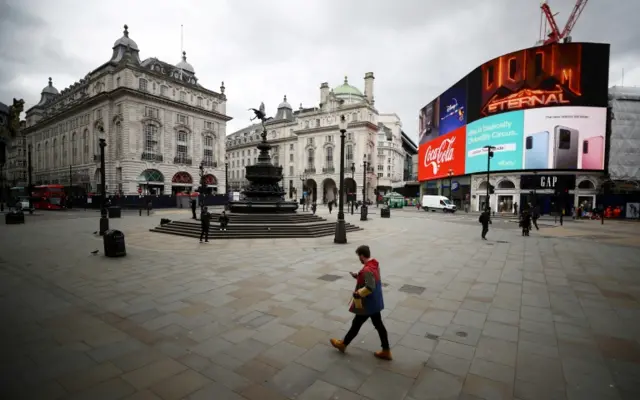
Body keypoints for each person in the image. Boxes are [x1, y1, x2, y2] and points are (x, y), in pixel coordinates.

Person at [330, 245, 391, 360]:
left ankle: (343, 344)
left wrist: (358, 293)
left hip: (368, 304)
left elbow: (370, 286)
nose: (359, 258)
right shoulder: (374, 265)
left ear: (362, 256)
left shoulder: (367, 269)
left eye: (359, 256)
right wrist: (358, 276)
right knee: (378, 325)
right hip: (375, 302)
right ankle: (386, 350)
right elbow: (371, 279)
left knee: (356, 324)